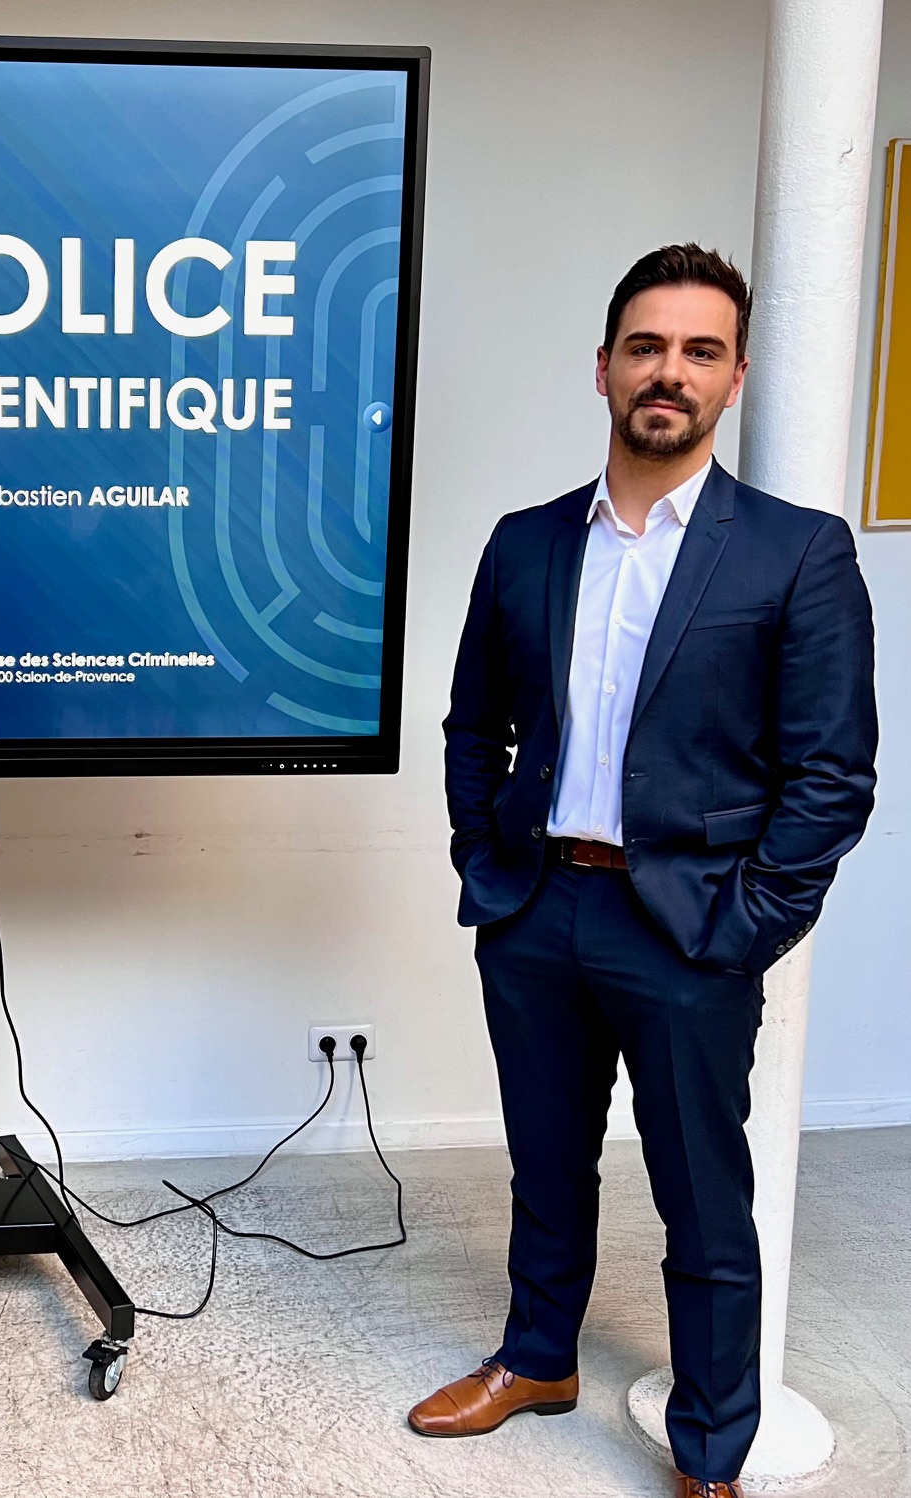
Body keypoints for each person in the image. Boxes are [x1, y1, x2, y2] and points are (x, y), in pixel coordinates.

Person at [422, 244, 877, 1498]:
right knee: (545, 1162)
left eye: (698, 350)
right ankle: (537, 1358)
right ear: (605, 368)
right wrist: (482, 856)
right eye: (647, 346)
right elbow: (473, 724)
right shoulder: (525, 544)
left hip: (687, 931)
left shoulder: (796, 552)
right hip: (535, 910)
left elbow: (832, 773)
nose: (668, 371)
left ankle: (712, 1451)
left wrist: (746, 927)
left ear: (733, 379)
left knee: (702, 1198)